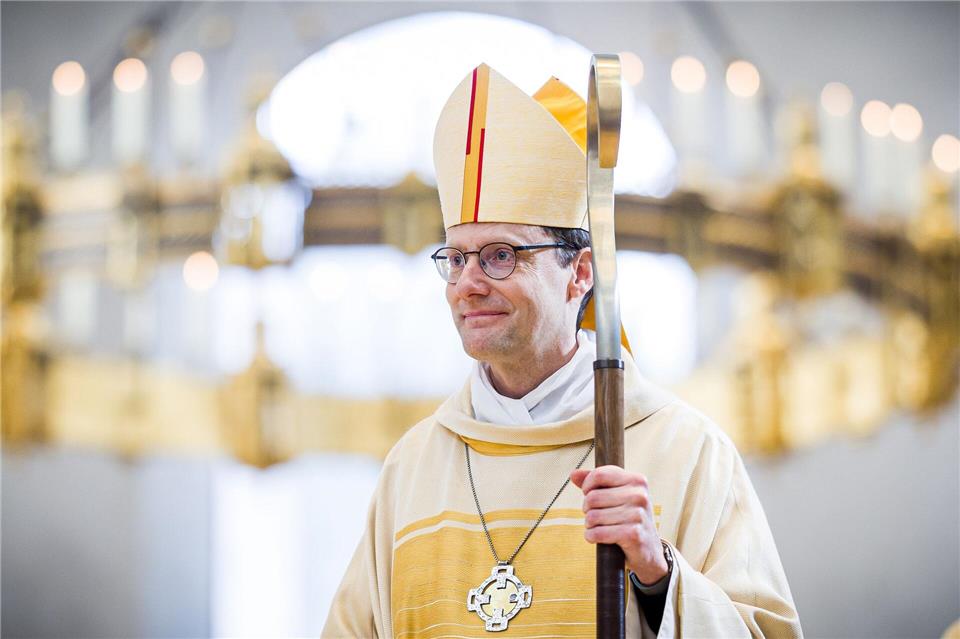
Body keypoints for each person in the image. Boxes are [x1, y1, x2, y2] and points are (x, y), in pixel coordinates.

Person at [322, 63, 802, 638]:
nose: (467, 284)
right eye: (455, 258)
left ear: (579, 273)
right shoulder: (413, 467)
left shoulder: (684, 450)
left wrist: (656, 572)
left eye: (500, 256)